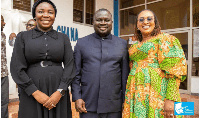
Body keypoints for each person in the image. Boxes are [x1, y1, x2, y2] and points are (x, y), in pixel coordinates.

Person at [10, 0, 75, 118]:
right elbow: (16, 67)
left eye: (50, 12)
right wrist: (34, 92)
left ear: (54, 16)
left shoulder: (63, 38)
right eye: (41, 11)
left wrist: (60, 91)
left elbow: (70, 65)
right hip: (31, 90)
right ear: (35, 15)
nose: (46, 15)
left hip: (58, 89)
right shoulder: (23, 37)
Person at [122, 9, 187, 118]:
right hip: (136, 92)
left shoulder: (165, 39)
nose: (145, 22)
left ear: (155, 22)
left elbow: (176, 71)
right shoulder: (134, 46)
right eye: (141, 20)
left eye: (149, 19)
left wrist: (170, 100)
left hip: (157, 93)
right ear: (137, 25)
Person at [72, 8, 129, 118]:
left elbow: (125, 76)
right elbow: (75, 74)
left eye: (106, 20)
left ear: (111, 22)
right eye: (99, 20)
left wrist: (125, 99)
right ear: (93, 22)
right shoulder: (81, 43)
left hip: (114, 104)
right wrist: (77, 97)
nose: (103, 23)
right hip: (87, 103)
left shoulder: (121, 44)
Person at [1, 15, 9, 118]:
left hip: (3, 73)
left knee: (4, 102)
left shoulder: (3, 35)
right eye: (2, 21)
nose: (4, 23)